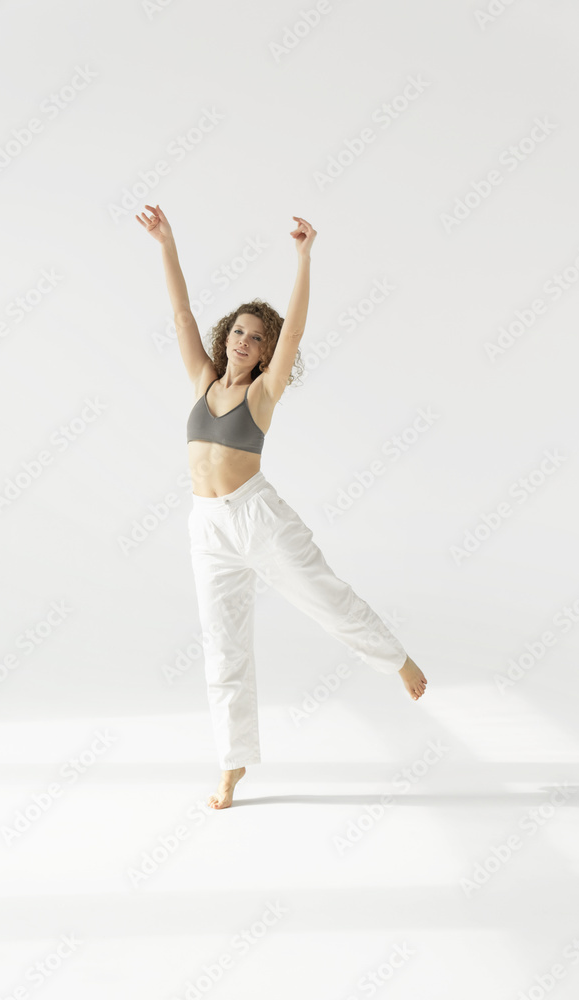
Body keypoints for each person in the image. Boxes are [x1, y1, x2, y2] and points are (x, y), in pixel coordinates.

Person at [136, 205, 428, 809]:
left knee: (324, 596)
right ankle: (232, 763)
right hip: (207, 529)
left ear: (267, 353)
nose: (245, 341)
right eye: (239, 332)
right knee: (223, 646)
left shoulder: (264, 393)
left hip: (256, 517)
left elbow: (295, 330)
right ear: (228, 338)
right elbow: (181, 313)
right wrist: (167, 243)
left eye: (257, 337)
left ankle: (395, 659)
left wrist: (303, 257)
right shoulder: (202, 381)